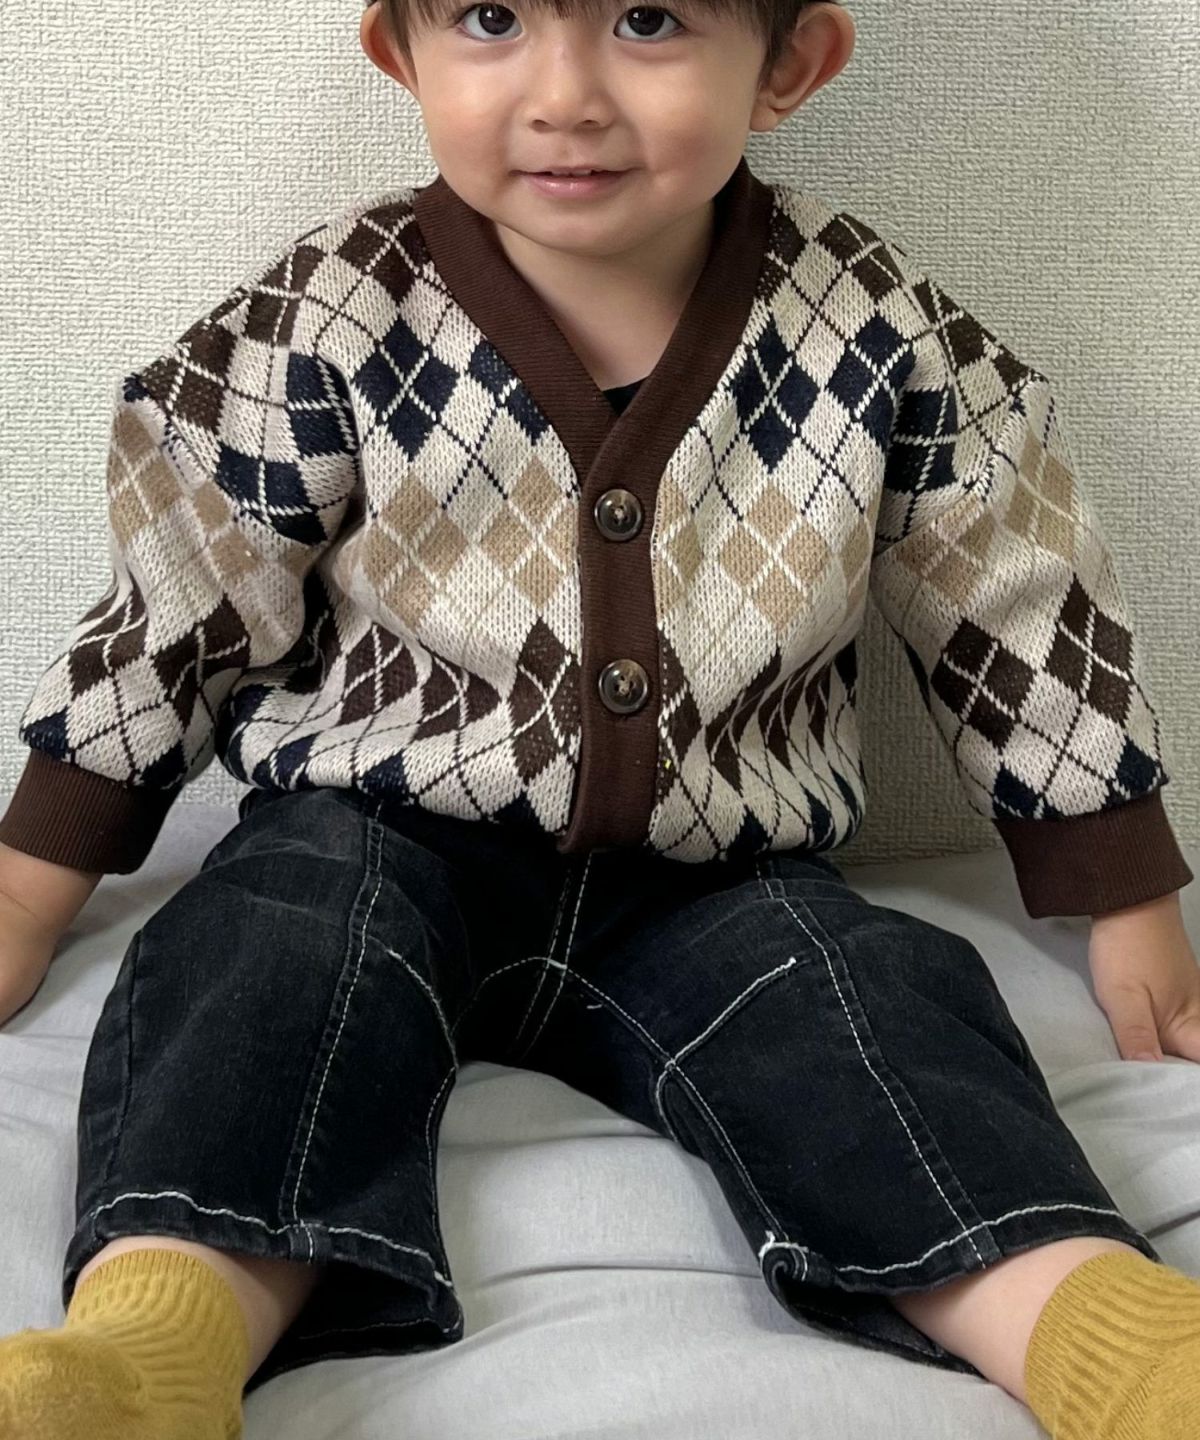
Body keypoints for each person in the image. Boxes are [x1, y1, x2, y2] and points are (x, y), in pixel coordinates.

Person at [0, 0, 1198, 1435]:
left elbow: (1012, 588)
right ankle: (153, 1346)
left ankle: (1113, 1338)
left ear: (789, 65)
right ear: (402, 55)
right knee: (262, 965)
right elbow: (187, 594)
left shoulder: (876, 327)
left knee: (869, 1011)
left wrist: (1123, 885)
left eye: (646, 19)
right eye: (492, 18)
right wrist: (29, 883)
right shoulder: (334, 310)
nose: (563, 94)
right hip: (373, 831)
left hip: (724, 880)